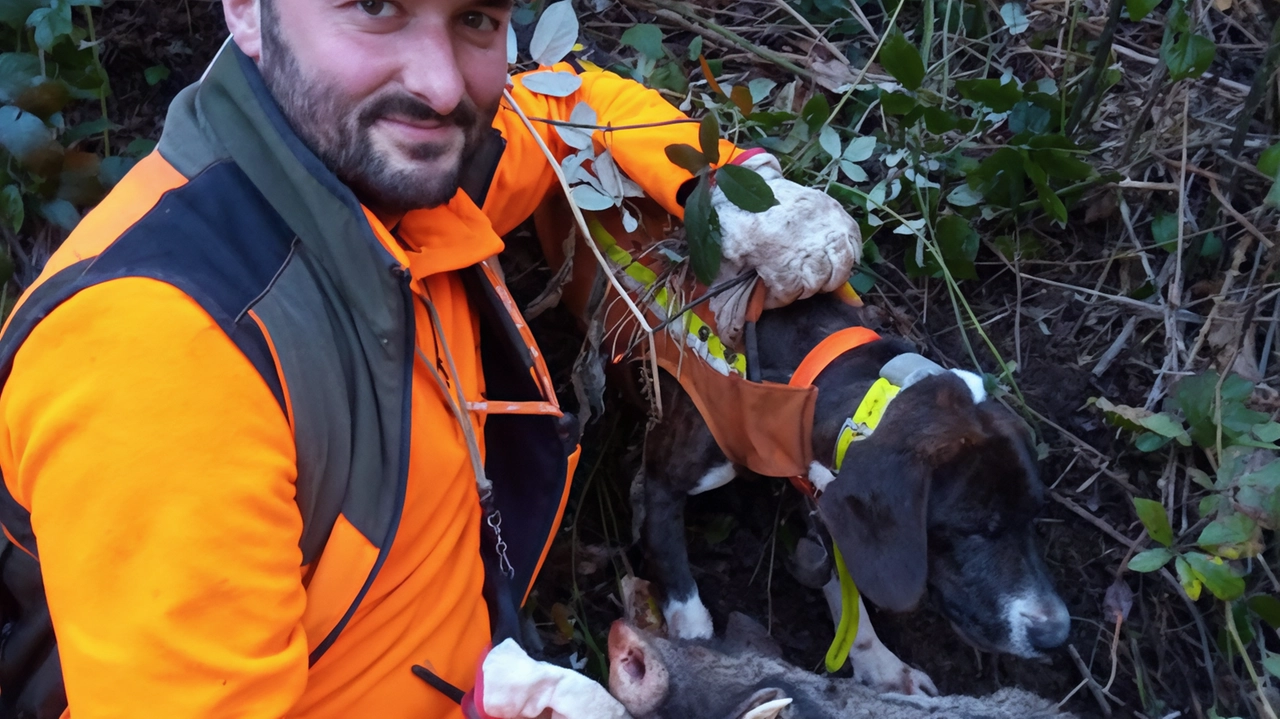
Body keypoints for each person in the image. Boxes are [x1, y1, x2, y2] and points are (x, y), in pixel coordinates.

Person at [0, 0, 860, 717]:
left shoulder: (400, 168)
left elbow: (572, 111)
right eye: (377, 6)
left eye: (476, 18)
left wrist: (732, 183)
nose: (443, 83)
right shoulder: (168, 359)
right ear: (246, 13)